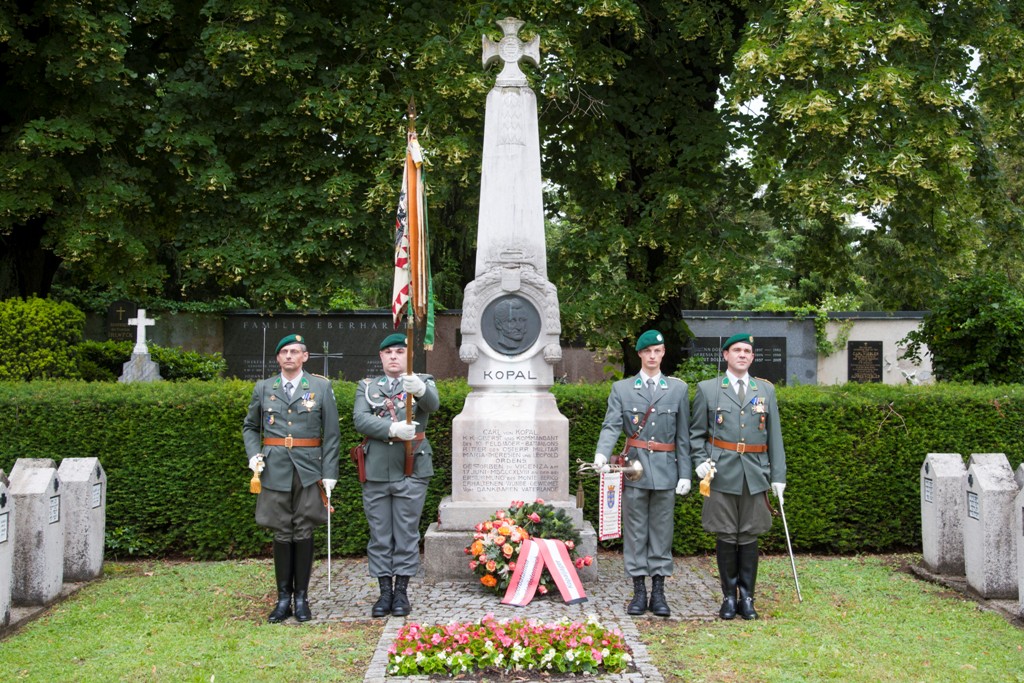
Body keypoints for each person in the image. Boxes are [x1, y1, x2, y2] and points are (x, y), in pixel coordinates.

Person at [243, 334, 340, 623]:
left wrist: (329, 473)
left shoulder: (321, 387)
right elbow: (250, 426)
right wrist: (253, 455)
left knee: (304, 530)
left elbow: (332, 435)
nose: (289, 356)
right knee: (282, 532)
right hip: (274, 468)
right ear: (277, 358)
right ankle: (283, 598)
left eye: (295, 351)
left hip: (309, 469)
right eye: (284, 351)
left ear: (305, 357)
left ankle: (302, 598)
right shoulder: (264, 388)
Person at [593, 330, 691, 617]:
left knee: (662, 532)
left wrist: (685, 473)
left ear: (663, 354)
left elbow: (683, 436)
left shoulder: (677, 389)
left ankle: (658, 592)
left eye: (657, 351)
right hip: (634, 470)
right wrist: (601, 453)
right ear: (639, 354)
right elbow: (611, 425)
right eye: (647, 351)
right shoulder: (622, 389)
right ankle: (639, 591)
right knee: (635, 532)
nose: (652, 356)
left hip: (665, 470)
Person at [690, 333, 786, 621]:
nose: (742, 355)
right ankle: (729, 597)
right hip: (721, 472)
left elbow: (775, 437)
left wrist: (778, 476)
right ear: (726, 355)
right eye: (737, 350)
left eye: (747, 351)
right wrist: (699, 462)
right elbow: (695, 434)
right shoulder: (708, 390)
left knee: (749, 533)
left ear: (752, 357)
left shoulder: (765, 391)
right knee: (726, 533)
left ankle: (748, 598)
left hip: (755, 472)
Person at [353, 332, 440, 618]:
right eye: (388, 352)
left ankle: (401, 591)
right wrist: (390, 430)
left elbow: (433, 405)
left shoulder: (422, 381)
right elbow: (360, 419)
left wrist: (421, 390)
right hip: (377, 469)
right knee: (380, 534)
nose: (394, 356)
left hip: (412, 467)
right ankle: (384, 592)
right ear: (381, 357)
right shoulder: (367, 387)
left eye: (400, 351)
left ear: (408, 355)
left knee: (405, 531)